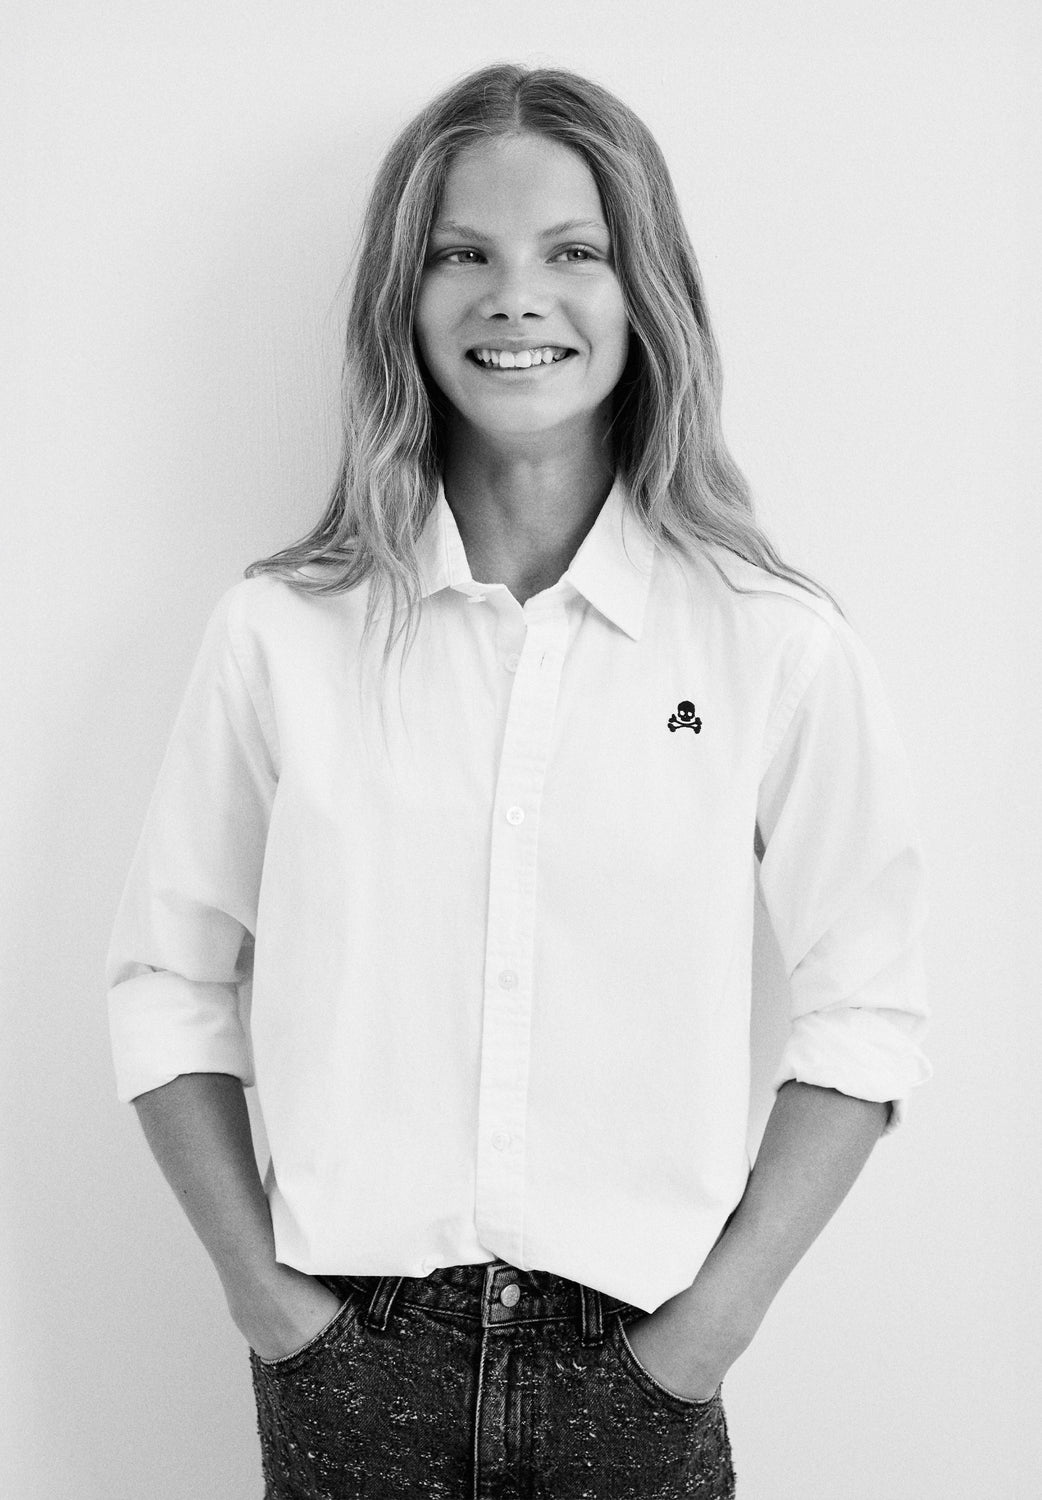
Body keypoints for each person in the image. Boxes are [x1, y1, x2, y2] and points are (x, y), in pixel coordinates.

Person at [105, 61, 931, 1499]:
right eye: (462, 255)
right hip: (349, 1359)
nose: (515, 298)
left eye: (572, 252)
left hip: (638, 1363)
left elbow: (867, 1008)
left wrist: (705, 1334)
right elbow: (166, 977)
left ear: (643, 291)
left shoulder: (770, 642)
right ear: (404, 297)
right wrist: (269, 1303)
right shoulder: (282, 631)